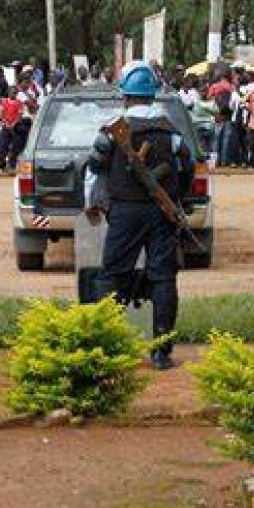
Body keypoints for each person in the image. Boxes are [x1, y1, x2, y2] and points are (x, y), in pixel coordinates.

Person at [84, 61, 195, 370]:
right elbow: (188, 168)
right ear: (153, 95)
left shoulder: (110, 132)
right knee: (163, 277)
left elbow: (93, 173)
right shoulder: (170, 133)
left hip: (124, 213)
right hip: (161, 213)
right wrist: (177, 199)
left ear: (125, 96)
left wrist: (93, 205)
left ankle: (105, 349)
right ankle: (161, 352)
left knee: (112, 276)